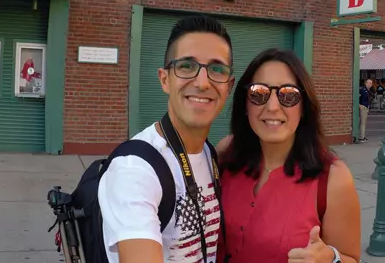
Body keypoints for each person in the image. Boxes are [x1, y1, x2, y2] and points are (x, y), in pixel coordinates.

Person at [98, 15, 236, 263]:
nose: (203, 83)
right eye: (186, 66)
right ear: (165, 79)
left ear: (229, 86)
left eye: (217, 69)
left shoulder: (210, 154)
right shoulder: (134, 169)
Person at [218, 48, 361, 263]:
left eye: (288, 95)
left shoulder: (333, 178)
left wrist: (330, 259)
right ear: (245, 104)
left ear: (303, 106)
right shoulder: (226, 153)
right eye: (258, 93)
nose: (273, 107)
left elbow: (351, 258)